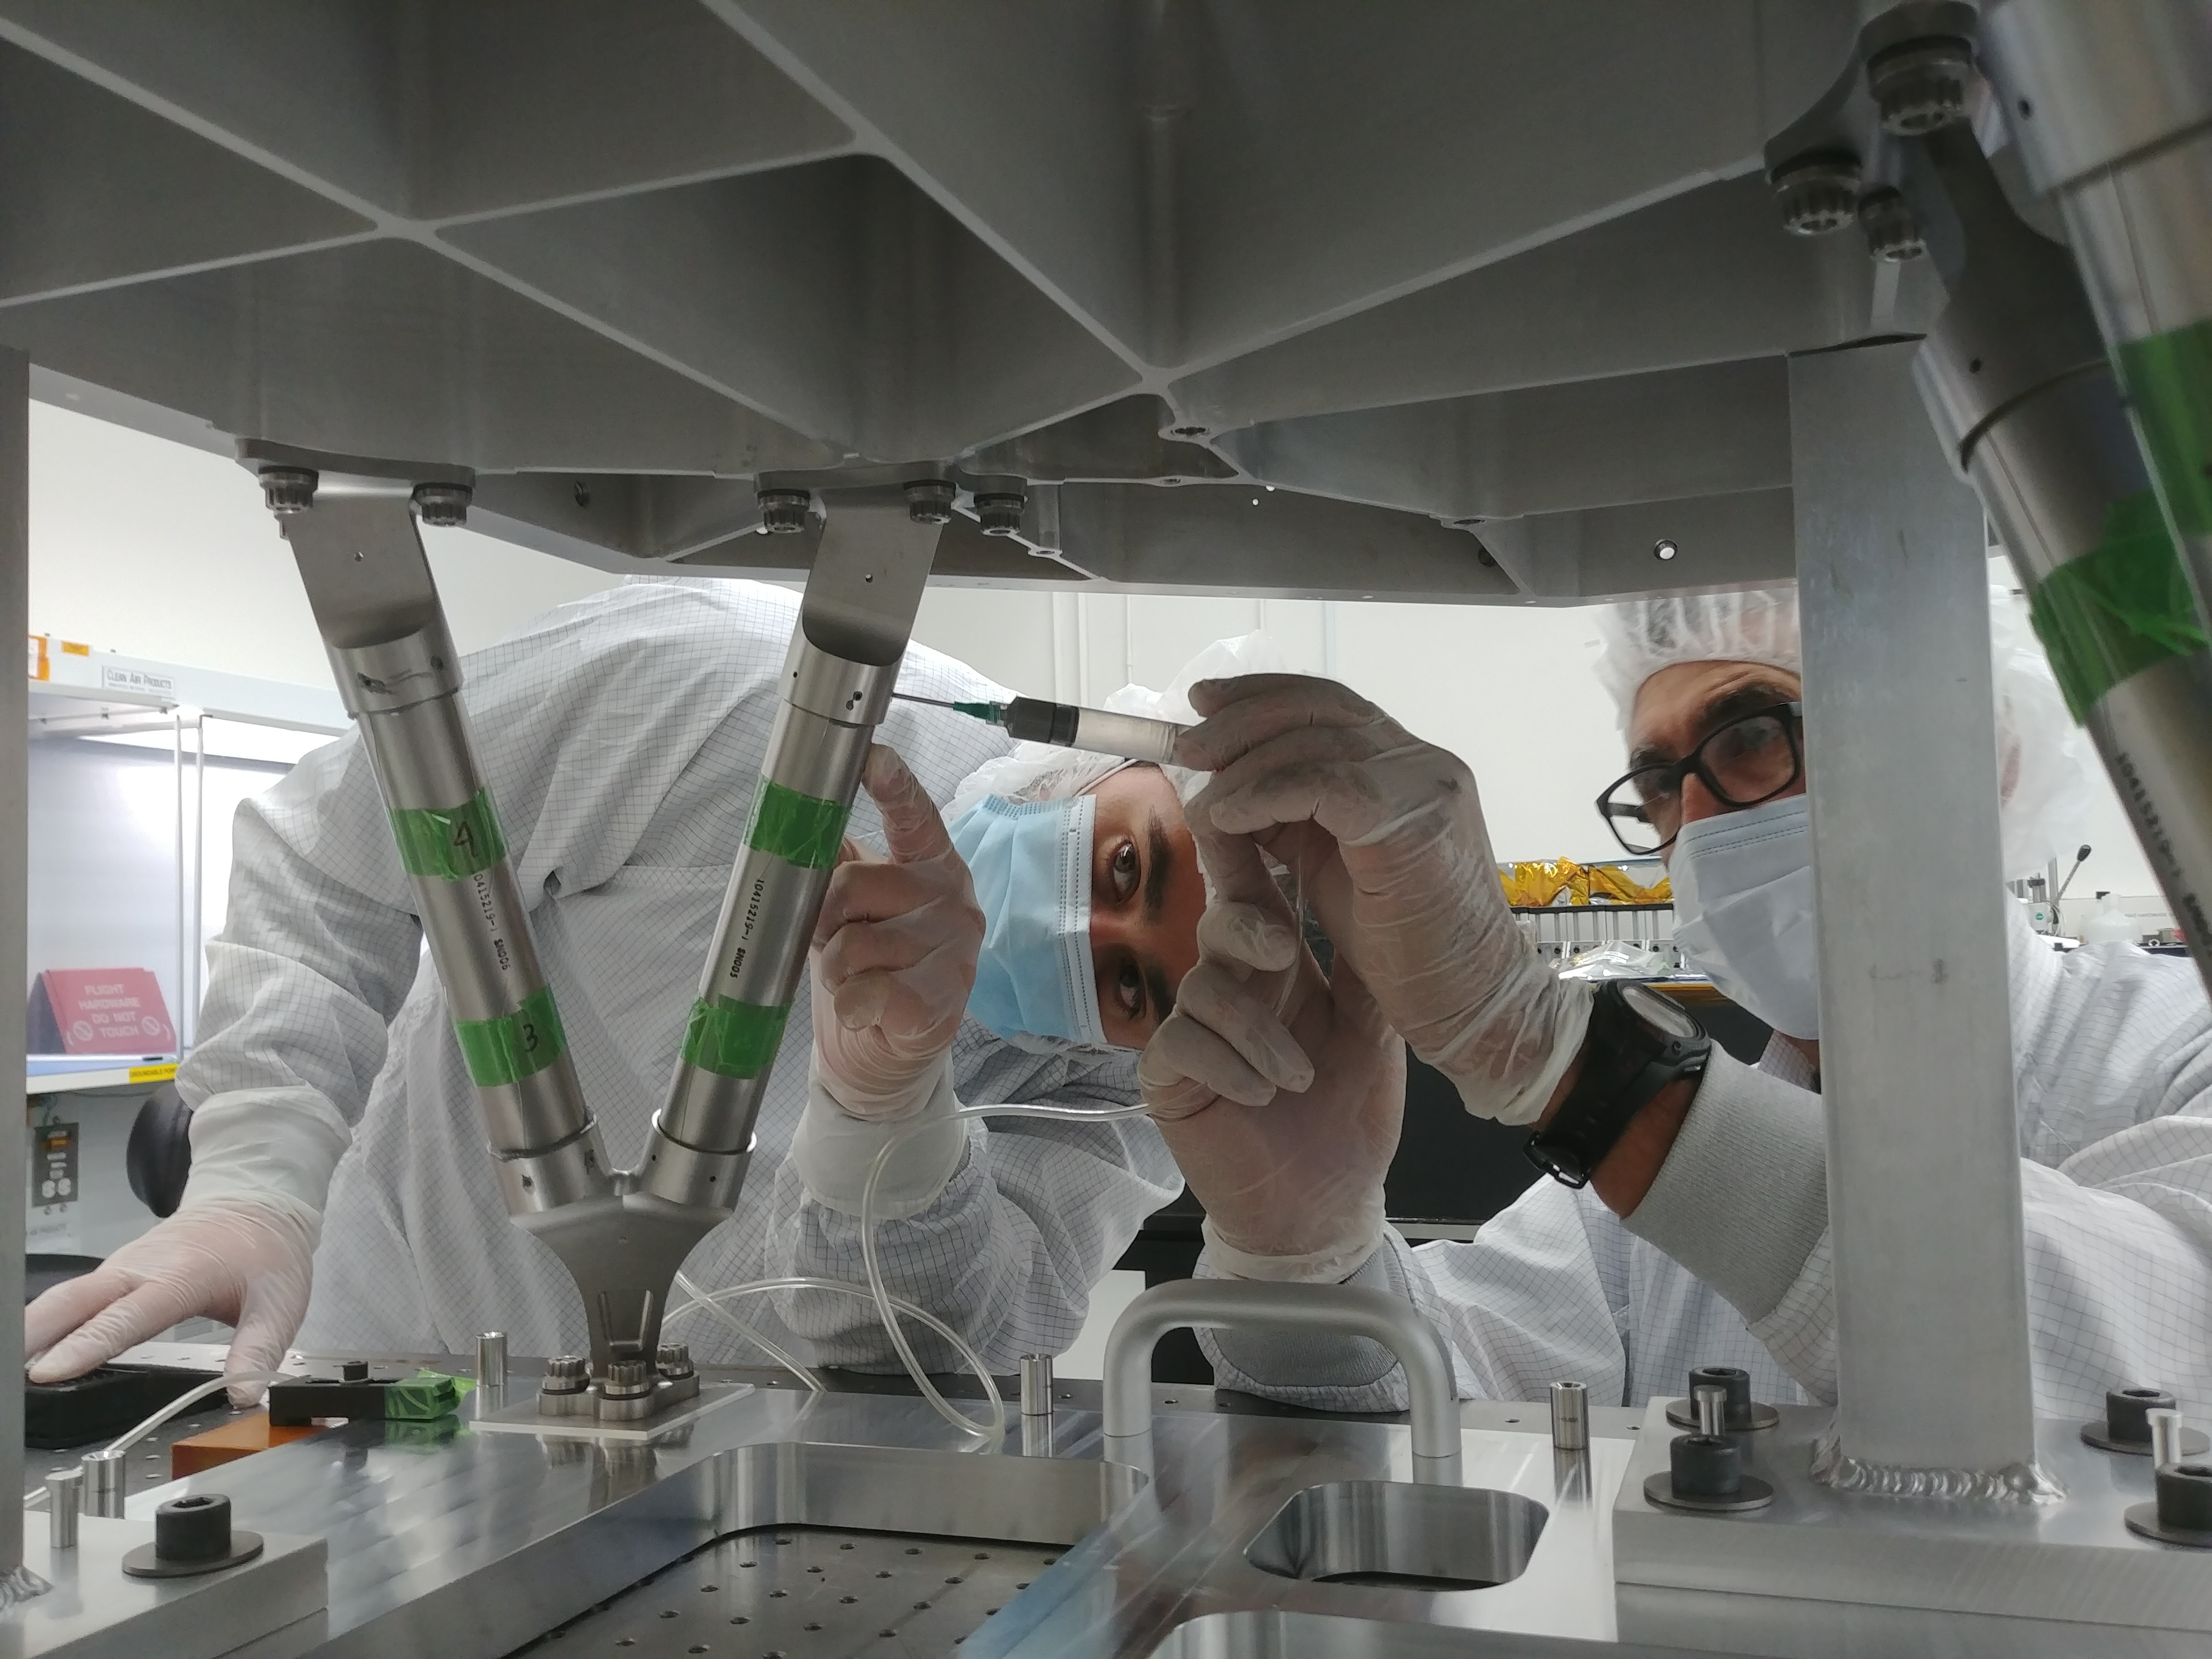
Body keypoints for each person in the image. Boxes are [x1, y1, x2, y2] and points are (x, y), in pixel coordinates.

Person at [23, 577, 1216, 1396]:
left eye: (1130, 982)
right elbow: (334, 856)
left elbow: (931, 1363)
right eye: (1126, 863)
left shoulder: (1111, 1086)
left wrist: (889, 1114)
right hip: (391, 1365)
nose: (1072, 933)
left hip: (733, 1492)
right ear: (1127, 750)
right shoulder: (733, 684)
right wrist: (257, 1186)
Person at [1142, 586, 2212, 1417]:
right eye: (1660, 783)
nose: (1697, 827)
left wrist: (1566, 1062)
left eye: (1749, 738)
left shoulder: (2177, 1048)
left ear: (1981, 755)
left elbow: (2152, 1338)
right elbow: (1428, 1398)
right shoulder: (1641, 1207)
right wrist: (1305, 1249)